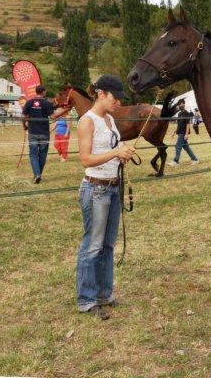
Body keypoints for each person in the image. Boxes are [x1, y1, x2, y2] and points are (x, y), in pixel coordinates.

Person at [76, 74, 136, 320]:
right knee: (93, 245)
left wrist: (123, 155)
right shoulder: (86, 121)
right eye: (115, 97)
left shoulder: (110, 120)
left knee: (108, 245)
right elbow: (86, 160)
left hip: (113, 187)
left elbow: (113, 151)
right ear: (101, 94)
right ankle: (87, 299)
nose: (118, 102)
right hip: (95, 189)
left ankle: (104, 293)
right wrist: (115, 152)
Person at [22, 85, 68, 184]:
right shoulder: (46, 103)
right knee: (43, 155)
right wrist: (65, 110)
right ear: (43, 92)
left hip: (33, 132)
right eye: (45, 91)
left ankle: (37, 175)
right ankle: (38, 174)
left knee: (33, 154)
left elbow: (23, 116)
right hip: (44, 133)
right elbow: (52, 117)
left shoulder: (29, 102)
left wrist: (25, 126)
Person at [170, 98, 199, 166]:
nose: (179, 106)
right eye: (178, 104)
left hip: (183, 133)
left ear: (183, 104)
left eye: (180, 104)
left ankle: (176, 161)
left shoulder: (186, 113)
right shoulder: (179, 114)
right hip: (180, 132)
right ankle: (195, 159)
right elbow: (179, 124)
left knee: (177, 146)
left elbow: (188, 124)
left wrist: (186, 134)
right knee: (186, 147)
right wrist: (174, 132)